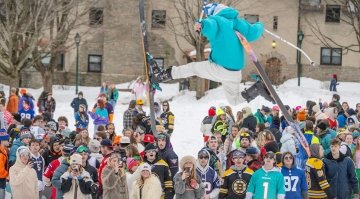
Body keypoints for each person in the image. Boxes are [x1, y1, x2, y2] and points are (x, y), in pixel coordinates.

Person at [151, 3, 271, 105]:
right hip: (235, 72)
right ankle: (257, 89)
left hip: (220, 68)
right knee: (234, 100)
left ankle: (162, 75)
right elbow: (254, 31)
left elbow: (210, 25)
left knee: (193, 68)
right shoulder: (240, 23)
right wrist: (260, 26)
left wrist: (202, 25)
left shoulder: (217, 20)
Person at [0, 130, 9, 199]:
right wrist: (7, 175)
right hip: (1, 178)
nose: (9, 141)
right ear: (2, 141)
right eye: (8, 140)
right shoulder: (1, 153)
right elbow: (0, 170)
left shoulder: (4, 150)